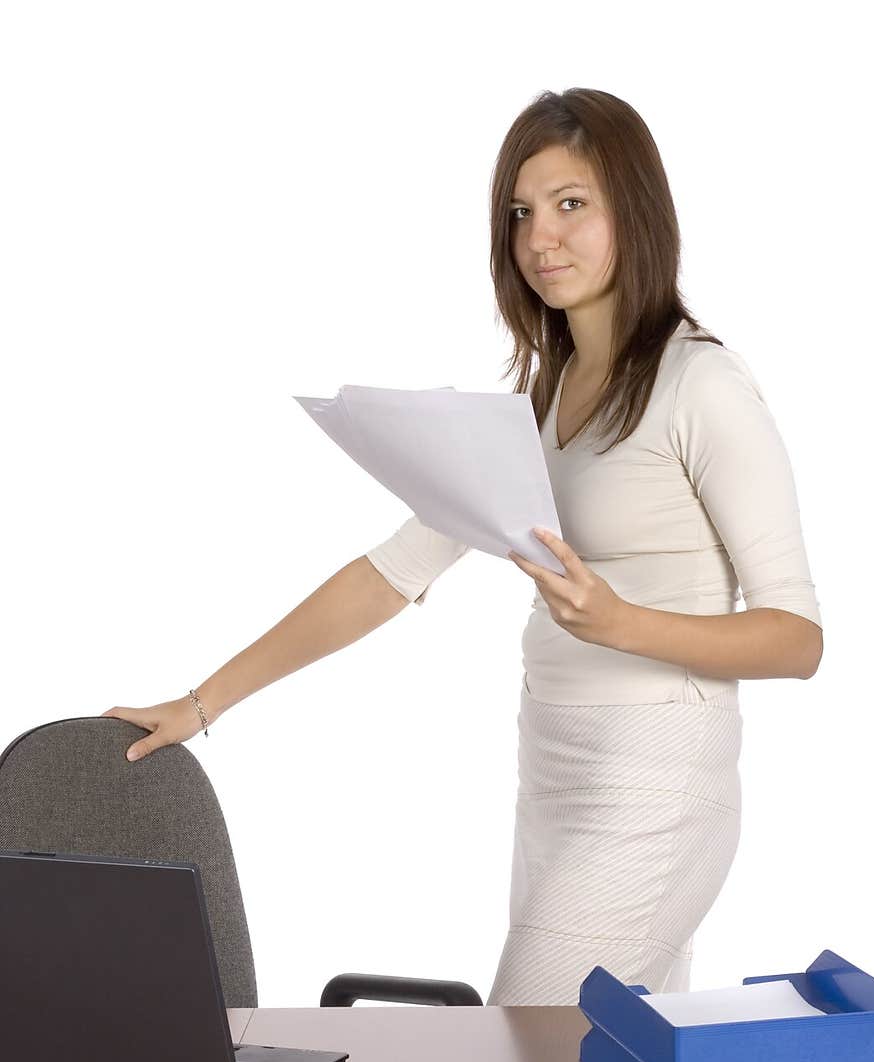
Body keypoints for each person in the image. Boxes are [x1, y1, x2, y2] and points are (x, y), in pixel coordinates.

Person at [102, 87, 823, 1006]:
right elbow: (387, 575)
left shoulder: (702, 384)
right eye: (522, 214)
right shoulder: (536, 402)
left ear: (635, 211)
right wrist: (202, 703)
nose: (540, 241)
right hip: (553, 771)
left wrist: (621, 621)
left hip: (658, 775)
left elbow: (798, 637)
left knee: (522, 1048)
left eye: (572, 205)